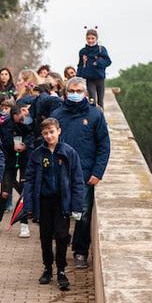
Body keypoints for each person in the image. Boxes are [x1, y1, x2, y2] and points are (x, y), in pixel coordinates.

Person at [51, 77, 110, 269]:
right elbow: (47, 141)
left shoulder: (95, 115)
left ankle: (80, 252)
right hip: (60, 171)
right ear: (66, 92)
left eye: (79, 91)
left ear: (85, 93)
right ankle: (60, 251)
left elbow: (104, 145)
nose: (75, 94)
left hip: (84, 174)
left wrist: (98, 172)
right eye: (72, 91)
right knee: (60, 213)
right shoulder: (57, 114)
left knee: (83, 214)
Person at [23, 117, 85, 290]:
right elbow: (29, 180)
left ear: (59, 131)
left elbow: (77, 180)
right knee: (45, 237)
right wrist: (29, 205)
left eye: (51, 132)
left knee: (61, 236)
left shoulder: (68, 152)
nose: (49, 136)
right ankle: (48, 268)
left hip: (62, 202)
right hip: (43, 202)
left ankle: (62, 271)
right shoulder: (37, 154)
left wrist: (77, 206)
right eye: (45, 133)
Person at [0, 103, 34, 238]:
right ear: (14, 115)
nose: (22, 117)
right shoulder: (5, 125)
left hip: (25, 159)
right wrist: (11, 145)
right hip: (9, 160)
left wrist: (25, 145)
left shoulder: (29, 122)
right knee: (5, 192)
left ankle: (24, 225)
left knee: (24, 193)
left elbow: (33, 134)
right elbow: (3, 141)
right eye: (20, 114)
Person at [77, 28, 112, 108]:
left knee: (100, 101)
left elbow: (108, 61)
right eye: (88, 38)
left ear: (96, 39)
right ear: (86, 38)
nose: (90, 40)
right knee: (92, 100)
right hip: (90, 79)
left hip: (100, 78)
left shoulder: (101, 49)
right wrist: (78, 77)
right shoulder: (83, 51)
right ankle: (94, 117)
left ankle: (101, 118)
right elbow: (80, 64)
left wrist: (98, 62)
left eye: (92, 38)